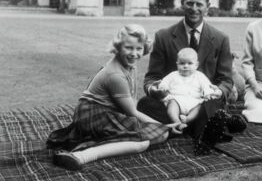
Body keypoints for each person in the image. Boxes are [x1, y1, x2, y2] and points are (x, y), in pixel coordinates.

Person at [47, 24, 175, 171]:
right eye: (128, 48)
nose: (134, 53)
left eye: (139, 48)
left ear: (144, 48)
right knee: (145, 141)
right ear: (118, 47)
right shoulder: (115, 75)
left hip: (106, 112)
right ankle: (81, 156)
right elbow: (132, 112)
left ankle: (92, 146)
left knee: (158, 134)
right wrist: (164, 126)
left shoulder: (130, 65)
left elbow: (131, 101)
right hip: (92, 114)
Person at [137, 0, 246, 153]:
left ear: (207, 7)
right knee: (144, 104)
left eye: (199, 4)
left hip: (203, 102)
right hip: (172, 102)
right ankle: (206, 128)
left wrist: (219, 91)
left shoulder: (220, 38)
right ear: (182, 3)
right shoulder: (163, 36)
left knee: (214, 104)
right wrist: (154, 90)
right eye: (189, 3)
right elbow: (151, 78)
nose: (194, 8)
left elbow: (226, 79)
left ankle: (191, 129)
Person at [158, 47, 220, 133]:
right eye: (182, 63)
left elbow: (207, 85)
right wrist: (163, 86)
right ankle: (177, 121)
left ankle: (188, 119)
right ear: (177, 64)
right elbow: (164, 82)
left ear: (196, 65)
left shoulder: (200, 76)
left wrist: (208, 93)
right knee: (171, 104)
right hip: (177, 100)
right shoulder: (173, 75)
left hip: (194, 101)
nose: (185, 66)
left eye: (190, 63)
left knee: (199, 107)